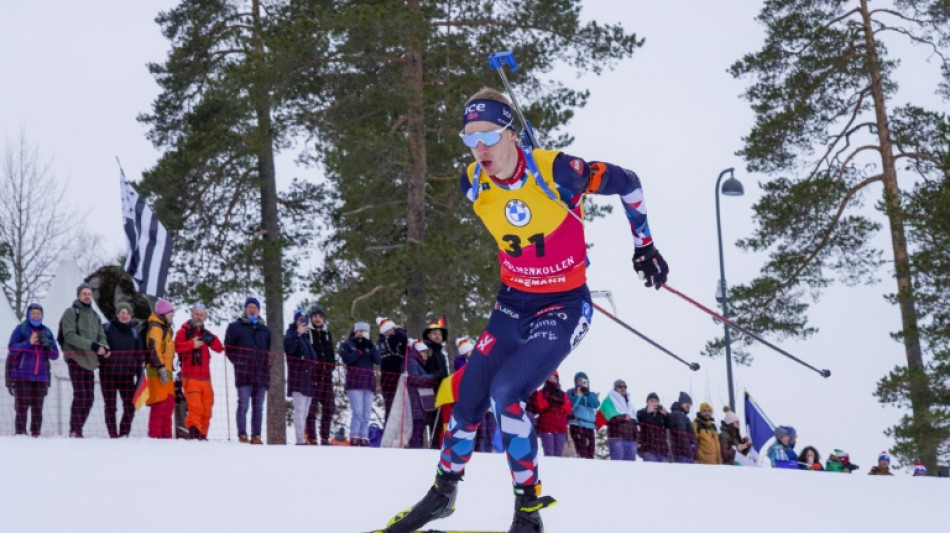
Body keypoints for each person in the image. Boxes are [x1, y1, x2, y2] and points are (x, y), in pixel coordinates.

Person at [384, 88, 669, 533]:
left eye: (489, 136)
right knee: (468, 398)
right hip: (512, 304)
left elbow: (629, 182)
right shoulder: (472, 182)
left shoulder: (561, 171)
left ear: (512, 134)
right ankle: (442, 494)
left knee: (508, 393)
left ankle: (528, 511)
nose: (479, 148)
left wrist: (645, 246)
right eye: (470, 138)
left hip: (564, 306)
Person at [60, 282, 110, 438]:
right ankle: (74, 429)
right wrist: (93, 345)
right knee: (80, 394)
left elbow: (101, 335)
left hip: (90, 361)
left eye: (89, 294)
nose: (87, 296)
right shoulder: (70, 312)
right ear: (78, 295)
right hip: (75, 357)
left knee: (89, 398)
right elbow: (69, 335)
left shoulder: (95, 316)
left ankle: (78, 428)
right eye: (84, 293)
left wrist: (105, 347)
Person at [6, 303, 59, 436]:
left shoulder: (47, 331)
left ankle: (36, 434)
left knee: (37, 408)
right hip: (22, 374)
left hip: (41, 376)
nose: (36, 316)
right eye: (33, 313)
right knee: (22, 406)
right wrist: (28, 342)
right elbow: (12, 349)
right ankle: (20, 433)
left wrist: (48, 346)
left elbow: (55, 355)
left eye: (38, 313)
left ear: (42, 315)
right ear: (29, 315)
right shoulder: (21, 329)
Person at [224, 297, 271, 444]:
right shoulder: (235, 327)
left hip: (261, 374)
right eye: (250, 307)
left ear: (258, 310)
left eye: (255, 307)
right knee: (243, 404)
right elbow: (228, 348)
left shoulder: (265, 330)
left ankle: (256, 436)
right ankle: (242, 435)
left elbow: (268, 350)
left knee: (258, 407)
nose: (252, 309)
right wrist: (239, 362)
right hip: (244, 373)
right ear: (245, 309)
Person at [173, 303, 223, 440]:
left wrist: (211, 338)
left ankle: (202, 434)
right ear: (191, 314)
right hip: (190, 376)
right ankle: (194, 432)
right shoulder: (183, 332)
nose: (199, 317)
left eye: (201, 315)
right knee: (196, 407)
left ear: (205, 317)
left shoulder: (205, 333)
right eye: (196, 314)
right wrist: (192, 344)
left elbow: (219, 348)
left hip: (206, 378)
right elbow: (176, 347)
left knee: (207, 410)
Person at [101, 302, 145, 438]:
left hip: (127, 375)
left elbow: (139, 355)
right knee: (110, 405)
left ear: (131, 316)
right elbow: (100, 346)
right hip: (108, 374)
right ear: (117, 314)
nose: (125, 315)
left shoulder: (135, 333)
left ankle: (124, 433)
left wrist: (139, 374)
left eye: (127, 313)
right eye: (122, 312)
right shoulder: (107, 328)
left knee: (130, 406)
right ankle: (113, 434)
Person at [340, 320, 381, 446]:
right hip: (354, 382)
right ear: (355, 331)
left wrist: (372, 347)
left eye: (364, 331)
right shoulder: (348, 344)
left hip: (368, 383)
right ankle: (354, 435)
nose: (361, 334)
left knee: (366, 413)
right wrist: (358, 350)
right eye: (359, 331)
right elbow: (347, 359)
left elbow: (378, 360)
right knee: (357, 411)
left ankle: (364, 435)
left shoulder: (371, 346)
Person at [284, 309, 318, 445]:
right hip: (298, 378)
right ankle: (299, 440)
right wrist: (297, 333)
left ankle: (303, 437)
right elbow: (289, 347)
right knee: (299, 410)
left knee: (305, 412)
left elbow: (313, 357)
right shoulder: (291, 334)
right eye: (300, 319)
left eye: (305, 319)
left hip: (309, 379)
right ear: (295, 320)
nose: (302, 322)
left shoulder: (307, 337)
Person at [144, 299, 176, 439]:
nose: (172, 315)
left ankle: (166, 438)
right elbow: (153, 349)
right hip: (157, 371)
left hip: (167, 371)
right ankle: (155, 438)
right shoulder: (156, 328)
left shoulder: (166, 329)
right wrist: (160, 367)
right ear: (163, 313)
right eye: (170, 313)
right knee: (160, 405)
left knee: (168, 405)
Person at [305, 305, 336, 445]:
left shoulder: (327, 333)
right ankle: (311, 436)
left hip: (327, 376)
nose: (318, 319)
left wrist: (331, 366)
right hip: (313, 376)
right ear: (311, 318)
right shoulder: (307, 332)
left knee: (329, 407)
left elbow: (330, 352)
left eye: (320, 316)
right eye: (315, 316)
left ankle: (325, 436)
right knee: (311, 408)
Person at [526, 372, 571, 457]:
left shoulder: (563, 394)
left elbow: (568, 408)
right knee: (549, 452)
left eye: (554, 378)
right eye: (550, 378)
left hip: (560, 427)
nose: (552, 380)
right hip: (547, 426)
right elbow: (540, 406)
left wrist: (560, 403)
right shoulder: (541, 392)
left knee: (558, 453)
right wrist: (550, 403)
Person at [406, 339, 439, 449]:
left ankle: (417, 448)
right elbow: (414, 378)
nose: (426, 356)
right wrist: (433, 377)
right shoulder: (412, 361)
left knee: (419, 428)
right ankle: (415, 449)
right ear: (418, 352)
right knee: (417, 428)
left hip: (419, 401)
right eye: (424, 353)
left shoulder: (417, 363)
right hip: (415, 400)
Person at [378, 316, 407, 424]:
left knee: (397, 406)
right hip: (390, 378)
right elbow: (401, 336)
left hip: (394, 376)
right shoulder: (387, 340)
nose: (393, 331)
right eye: (391, 329)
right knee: (391, 405)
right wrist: (399, 328)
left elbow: (403, 342)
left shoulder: (386, 341)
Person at [602, 379, 638, 461]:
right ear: (615, 388)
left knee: (630, 470)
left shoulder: (630, 405)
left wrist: (636, 440)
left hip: (631, 441)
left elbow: (635, 423)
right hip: (617, 439)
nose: (623, 388)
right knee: (617, 468)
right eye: (620, 386)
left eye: (625, 387)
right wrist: (623, 418)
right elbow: (608, 419)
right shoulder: (609, 401)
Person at [566, 372, 600, 459]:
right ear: (576, 382)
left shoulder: (591, 394)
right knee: (581, 452)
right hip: (577, 424)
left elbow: (596, 404)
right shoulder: (571, 392)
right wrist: (578, 396)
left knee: (590, 453)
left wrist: (587, 394)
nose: (582, 383)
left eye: (584, 381)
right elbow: (570, 407)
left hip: (590, 426)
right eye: (579, 381)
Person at [637, 392, 670, 462]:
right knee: (651, 471)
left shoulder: (662, 414)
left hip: (662, 450)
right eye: (651, 401)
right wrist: (646, 412)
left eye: (656, 401)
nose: (654, 403)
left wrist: (667, 415)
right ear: (647, 402)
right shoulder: (641, 412)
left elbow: (670, 425)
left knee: (662, 472)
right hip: (648, 450)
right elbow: (637, 421)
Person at [669, 391, 697, 463]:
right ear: (681, 403)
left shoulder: (682, 416)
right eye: (686, 403)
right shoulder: (678, 415)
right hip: (683, 455)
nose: (688, 405)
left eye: (689, 403)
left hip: (681, 454)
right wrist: (690, 453)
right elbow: (682, 435)